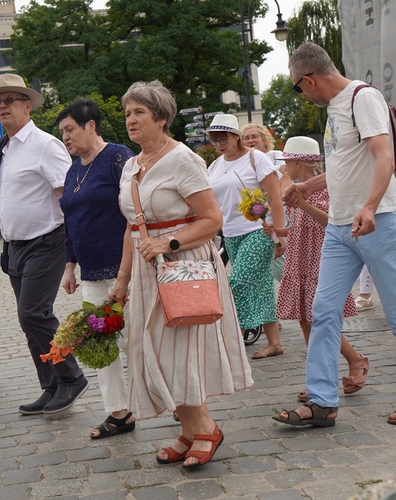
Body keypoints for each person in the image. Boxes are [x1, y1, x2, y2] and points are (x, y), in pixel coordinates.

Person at [273, 42, 396, 427]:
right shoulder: (335, 108)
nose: (301, 94)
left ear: (309, 79)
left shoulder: (363, 99)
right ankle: (321, 401)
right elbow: (344, 166)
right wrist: (308, 186)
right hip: (339, 226)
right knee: (322, 311)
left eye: (298, 87)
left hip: (378, 220)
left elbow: (384, 156)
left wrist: (369, 206)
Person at [109, 80, 253, 468]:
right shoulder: (130, 166)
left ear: (162, 117)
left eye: (139, 112)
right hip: (144, 271)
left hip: (184, 266)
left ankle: (204, 428)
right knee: (149, 348)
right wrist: (122, 280)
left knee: (179, 351)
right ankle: (191, 431)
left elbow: (212, 219)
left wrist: (168, 244)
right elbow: (130, 226)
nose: (131, 120)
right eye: (127, 113)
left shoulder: (183, 159)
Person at [0, 74, 88, 416]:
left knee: (33, 313)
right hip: (15, 246)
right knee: (29, 321)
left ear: (27, 105)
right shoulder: (3, 149)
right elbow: (9, 199)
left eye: (9, 100)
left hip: (47, 241)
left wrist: (73, 253)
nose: (2, 106)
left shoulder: (44, 144)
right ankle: (51, 385)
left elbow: (67, 193)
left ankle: (72, 377)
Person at [56, 99, 136, 438]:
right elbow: (70, 220)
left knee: (136, 339)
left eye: (70, 130)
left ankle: (177, 404)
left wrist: (126, 273)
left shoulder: (118, 157)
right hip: (90, 274)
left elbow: (135, 210)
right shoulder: (74, 169)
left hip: (124, 269)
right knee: (100, 341)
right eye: (61, 133)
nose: (65, 138)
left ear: (91, 126)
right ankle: (119, 413)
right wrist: (69, 265)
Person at [265, 136, 365, 402]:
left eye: (287, 161)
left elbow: (331, 222)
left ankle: (348, 364)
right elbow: (300, 227)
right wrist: (278, 231)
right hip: (300, 259)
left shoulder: (329, 186)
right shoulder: (296, 187)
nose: (284, 166)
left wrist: (303, 203)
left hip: (321, 260)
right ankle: (322, 375)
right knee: (305, 320)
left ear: (299, 162)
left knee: (320, 321)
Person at [207, 114, 287, 359]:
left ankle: (235, 339)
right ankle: (274, 342)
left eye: (224, 138)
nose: (219, 143)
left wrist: (280, 234)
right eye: (215, 139)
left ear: (236, 137)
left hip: (258, 231)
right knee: (262, 285)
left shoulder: (256, 158)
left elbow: (275, 196)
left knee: (237, 282)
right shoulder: (215, 165)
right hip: (230, 234)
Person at [241, 122, 288, 333]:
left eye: (254, 137)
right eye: (246, 138)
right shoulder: (243, 161)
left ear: (264, 138)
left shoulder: (275, 156)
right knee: (262, 273)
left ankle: (305, 304)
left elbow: (283, 185)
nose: (251, 141)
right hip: (254, 224)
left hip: (278, 218)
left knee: (282, 269)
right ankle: (270, 317)